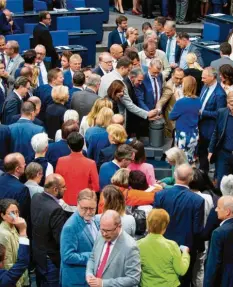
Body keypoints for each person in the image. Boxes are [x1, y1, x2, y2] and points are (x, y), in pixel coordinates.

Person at [154, 164, 204, 287]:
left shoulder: (160, 195)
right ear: (191, 178)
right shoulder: (197, 200)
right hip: (184, 250)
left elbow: (154, 222)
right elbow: (197, 229)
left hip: (161, 246)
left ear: (174, 175)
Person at [86, 210, 141, 286]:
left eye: (108, 231)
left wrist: (103, 283)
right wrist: (89, 273)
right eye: (102, 229)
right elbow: (92, 257)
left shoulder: (130, 247)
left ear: (119, 227)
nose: (104, 234)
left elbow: (133, 278)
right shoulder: (100, 234)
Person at [31, 173, 68, 286]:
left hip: (38, 255)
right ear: (55, 189)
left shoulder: (36, 197)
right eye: (64, 186)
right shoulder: (56, 210)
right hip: (50, 260)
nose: (66, 189)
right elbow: (60, 239)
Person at [138, 209, 190, 287]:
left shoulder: (138, 245)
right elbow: (181, 270)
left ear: (148, 223)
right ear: (165, 226)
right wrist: (185, 254)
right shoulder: (172, 245)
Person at [60, 189, 99, 287]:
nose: (89, 212)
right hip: (77, 280)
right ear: (77, 204)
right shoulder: (70, 226)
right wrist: (94, 256)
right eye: (85, 208)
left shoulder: (95, 220)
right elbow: (67, 256)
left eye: (92, 208)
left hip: (90, 278)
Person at [99, 56, 157, 121]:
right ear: (122, 68)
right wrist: (147, 114)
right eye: (128, 70)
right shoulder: (120, 83)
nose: (129, 73)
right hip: (114, 118)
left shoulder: (104, 77)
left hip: (102, 114)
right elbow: (129, 105)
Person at [56, 132, 99, 206]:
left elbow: (57, 182)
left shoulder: (61, 161)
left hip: (65, 203)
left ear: (69, 146)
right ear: (82, 146)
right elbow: (96, 187)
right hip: (83, 204)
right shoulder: (91, 163)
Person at [199, 66, 227, 172]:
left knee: (213, 154)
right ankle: (203, 173)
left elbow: (219, 114)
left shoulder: (220, 94)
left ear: (213, 77)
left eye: (204, 78)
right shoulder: (205, 86)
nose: (202, 80)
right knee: (201, 152)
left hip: (211, 129)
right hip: (201, 126)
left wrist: (202, 112)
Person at [169, 76, 201, 163]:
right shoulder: (199, 100)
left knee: (181, 160)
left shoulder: (181, 102)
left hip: (182, 134)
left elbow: (171, 116)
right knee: (191, 158)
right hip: (194, 133)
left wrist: (177, 99)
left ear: (185, 86)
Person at [204, 196, 233, 287]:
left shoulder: (219, 233)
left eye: (219, 207)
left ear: (227, 211)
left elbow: (213, 265)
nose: (216, 210)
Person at [0, 199, 29, 286]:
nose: (16, 216)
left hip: (20, 275)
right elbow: (7, 264)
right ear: (3, 215)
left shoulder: (14, 227)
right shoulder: (3, 233)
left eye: (17, 212)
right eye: (12, 213)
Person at [208, 92, 233, 187]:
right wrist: (210, 150)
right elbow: (216, 132)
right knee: (220, 184)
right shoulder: (222, 112)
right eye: (231, 104)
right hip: (224, 153)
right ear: (227, 102)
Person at [0, 153, 31, 223]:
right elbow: (22, 216)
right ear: (17, 169)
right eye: (23, 163)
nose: (25, 164)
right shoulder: (22, 189)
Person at [156, 67, 185, 137]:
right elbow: (161, 102)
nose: (178, 81)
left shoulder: (185, 82)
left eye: (181, 78)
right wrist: (159, 111)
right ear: (172, 75)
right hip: (173, 122)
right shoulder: (169, 86)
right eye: (176, 78)